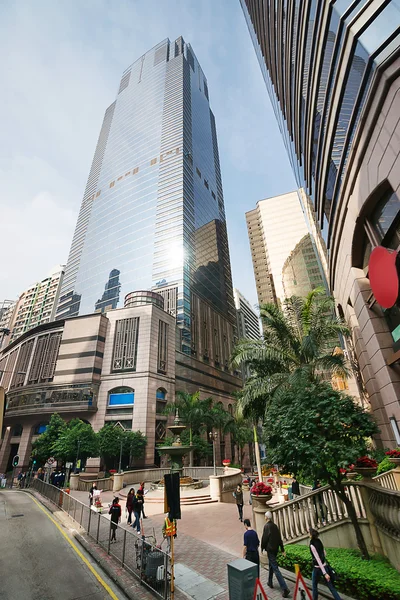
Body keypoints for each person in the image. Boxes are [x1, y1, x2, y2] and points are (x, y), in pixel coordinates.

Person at [261, 511, 290, 598]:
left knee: (275, 568)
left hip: (270, 549)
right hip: (275, 549)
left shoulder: (267, 526)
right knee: (271, 565)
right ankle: (270, 582)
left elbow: (264, 538)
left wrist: (262, 547)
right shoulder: (275, 526)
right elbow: (279, 538)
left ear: (266, 517)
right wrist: (282, 549)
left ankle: (284, 588)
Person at [309, 528, 341, 600]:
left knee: (314, 585)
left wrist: (324, 573)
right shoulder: (319, 541)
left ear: (311, 535)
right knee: (331, 587)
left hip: (317, 568)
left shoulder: (312, 544)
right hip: (325, 566)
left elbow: (318, 559)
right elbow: (324, 553)